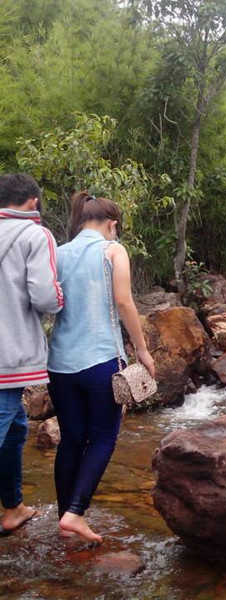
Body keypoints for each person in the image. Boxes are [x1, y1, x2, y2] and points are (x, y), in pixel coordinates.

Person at [47, 191, 155, 543]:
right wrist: (142, 350)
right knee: (104, 436)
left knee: (71, 439)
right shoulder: (113, 250)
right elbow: (123, 301)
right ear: (113, 225)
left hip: (59, 364)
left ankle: (65, 517)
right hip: (100, 360)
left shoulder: (58, 253)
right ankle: (76, 512)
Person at [0, 173, 63, 534]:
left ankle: (13, 508)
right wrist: (62, 299)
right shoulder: (35, 234)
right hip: (9, 352)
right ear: (33, 202)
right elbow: (45, 297)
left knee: (15, 430)